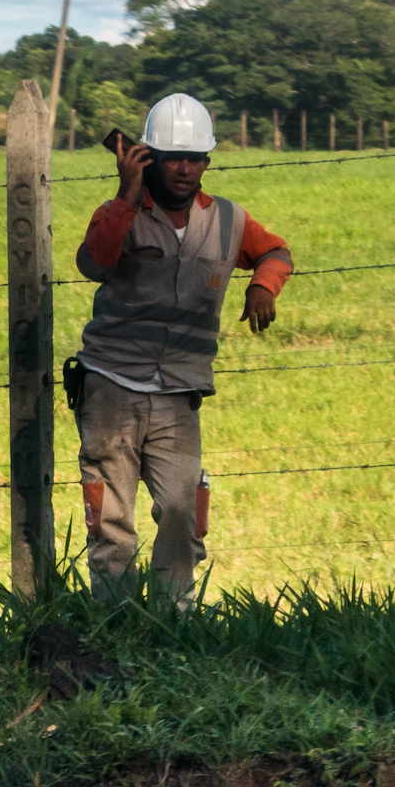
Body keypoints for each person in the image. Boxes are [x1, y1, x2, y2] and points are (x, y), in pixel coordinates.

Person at [71, 93, 292, 604]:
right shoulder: (119, 214)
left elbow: (276, 250)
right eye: (174, 158)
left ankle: (174, 619)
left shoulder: (229, 221)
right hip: (111, 385)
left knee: (181, 509)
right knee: (111, 517)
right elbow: (96, 264)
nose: (185, 169)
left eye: (195, 159)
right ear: (149, 158)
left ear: (208, 162)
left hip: (179, 391)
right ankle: (115, 617)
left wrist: (264, 282)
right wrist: (127, 195)